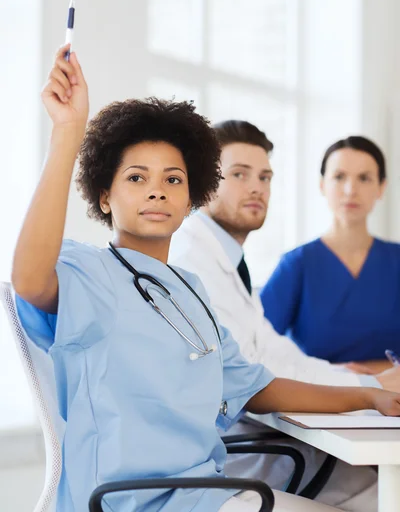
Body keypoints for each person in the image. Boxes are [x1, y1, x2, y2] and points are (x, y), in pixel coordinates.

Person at [11, 47, 400, 512]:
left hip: (208, 492)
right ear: (105, 196)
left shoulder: (190, 290)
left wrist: (367, 395)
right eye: (136, 177)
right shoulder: (89, 272)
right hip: (135, 502)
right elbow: (30, 280)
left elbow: (256, 388)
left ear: (192, 197)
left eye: (173, 179)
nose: (157, 188)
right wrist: (67, 134)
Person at [169, 120, 400, 511]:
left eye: (265, 177)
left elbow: (276, 354)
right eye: (239, 174)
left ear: (382, 188)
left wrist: (369, 383)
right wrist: (367, 388)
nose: (257, 187)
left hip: (258, 439)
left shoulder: (225, 264)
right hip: (232, 450)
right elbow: (256, 377)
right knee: (381, 493)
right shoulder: (195, 263)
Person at [260, 136, 400, 366]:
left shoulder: (396, 262)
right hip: (320, 398)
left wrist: (374, 371)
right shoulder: (297, 265)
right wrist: (341, 377)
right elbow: (257, 349)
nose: (350, 190)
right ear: (322, 185)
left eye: (364, 178)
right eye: (339, 177)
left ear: (381, 188)